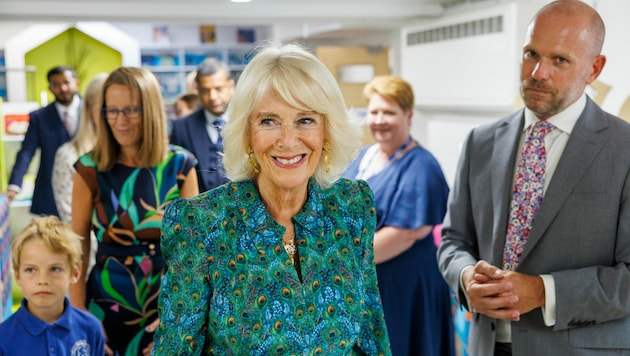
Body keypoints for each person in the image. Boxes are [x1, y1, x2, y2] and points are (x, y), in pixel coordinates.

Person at [153, 43, 392, 355]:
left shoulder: (351, 206)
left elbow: (371, 334)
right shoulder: (201, 223)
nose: (288, 141)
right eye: (269, 120)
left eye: (305, 120)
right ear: (247, 133)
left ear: (327, 130)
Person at [437, 1, 630, 355]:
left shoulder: (625, 150)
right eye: (531, 54)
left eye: (560, 60)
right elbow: (453, 241)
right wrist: (466, 278)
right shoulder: (480, 142)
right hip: (487, 344)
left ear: (594, 68)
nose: (538, 72)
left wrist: (544, 291)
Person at [68, 66, 199, 356]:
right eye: (111, 111)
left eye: (130, 110)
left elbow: (194, 255)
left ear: (150, 110)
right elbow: (75, 253)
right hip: (105, 309)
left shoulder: (181, 165)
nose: (119, 121)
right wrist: (80, 319)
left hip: (169, 307)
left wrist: (178, 317)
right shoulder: (89, 169)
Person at [343, 75, 454, 356]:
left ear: (409, 115)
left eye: (389, 112)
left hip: (404, 286)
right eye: (374, 111)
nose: (379, 120)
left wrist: (341, 262)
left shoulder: (421, 166)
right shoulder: (364, 157)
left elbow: (406, 233)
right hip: (367, 283)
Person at [0, 216, 105, 356]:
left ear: (75, 273)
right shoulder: (4, 338)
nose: (43, 280)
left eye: (55, 269)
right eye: (31, 270)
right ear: (18, 275)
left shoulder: (90, 328)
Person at [51, 72, 108, 280]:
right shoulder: (69, 156)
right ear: (90, 109)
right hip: (90, 268)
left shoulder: (131, 159)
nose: (114, 114)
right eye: (105, 106)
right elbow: (73, 224)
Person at [7, 66, 80, 216]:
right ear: (50, 88)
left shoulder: (93, 111)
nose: (63, 88)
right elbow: (27, 152)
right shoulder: (39, 117)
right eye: (56, 84)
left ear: (76, 83)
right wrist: (14, 184)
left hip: (89, 187)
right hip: (51, 192)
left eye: (66, 82)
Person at [169, 57, 235, 193]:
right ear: (197, 90)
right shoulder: (181, 128)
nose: (212, 96)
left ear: (231, 87)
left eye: (218, 89)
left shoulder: (249, 122)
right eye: (205, 90)